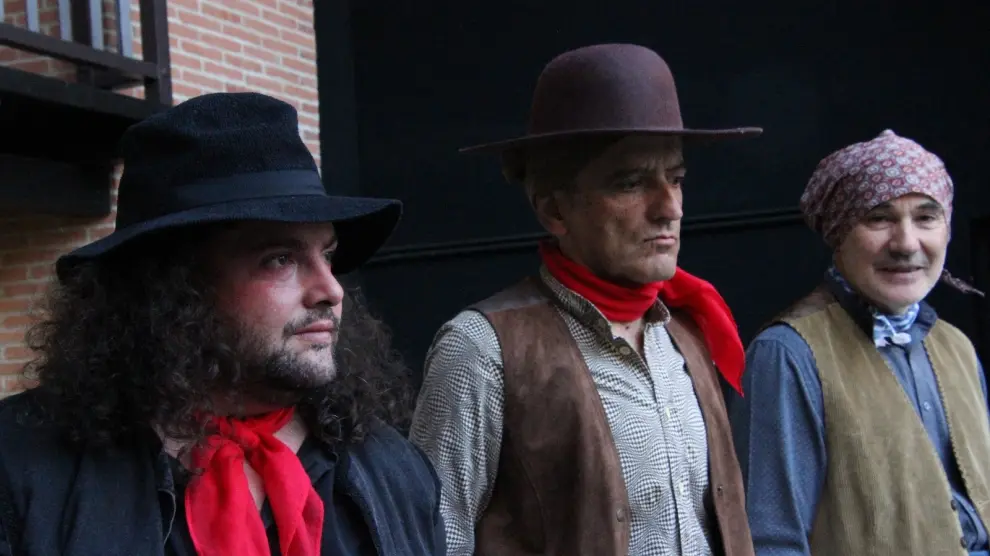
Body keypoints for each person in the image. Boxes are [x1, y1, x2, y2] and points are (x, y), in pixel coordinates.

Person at [0, 92, 446, 556]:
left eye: (328, 255)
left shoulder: (395, 471)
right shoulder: (19, 467)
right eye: (280, 259)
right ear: (174, 289)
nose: (331, 290)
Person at [409, 43, 762, 556]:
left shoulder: (685, 331)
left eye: (677, 178)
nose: (669, 207)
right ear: (555, 210)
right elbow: (431, 542)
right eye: (631, 182)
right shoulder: (482, 350)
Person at [729, 129, 990, 555]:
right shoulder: (787, 355)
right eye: (879, 218)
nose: (906, 244)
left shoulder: (957, 347)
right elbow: (770, 541)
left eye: (926, 218)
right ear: (839, 233)